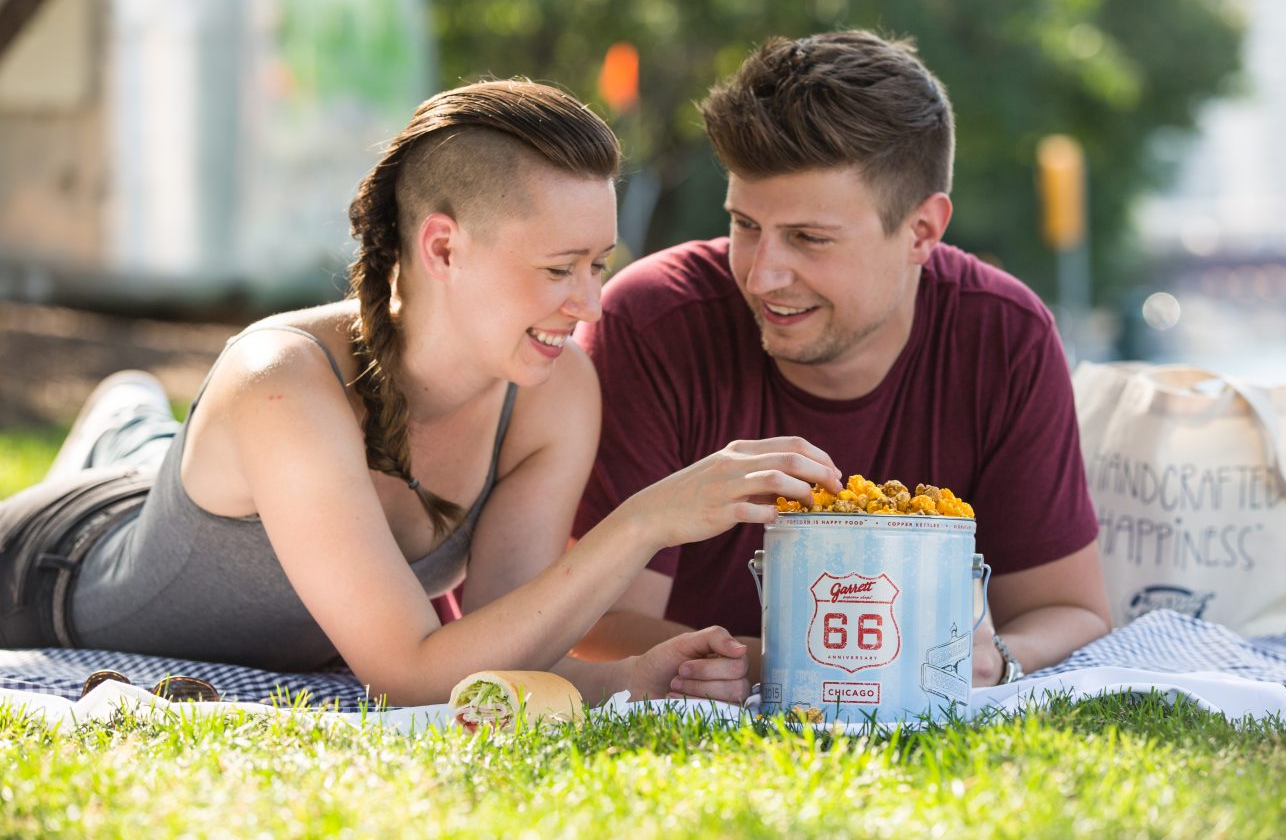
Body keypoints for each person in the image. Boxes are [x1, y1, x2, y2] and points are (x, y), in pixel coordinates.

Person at [0, 79, 843, 707]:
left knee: (163, 459)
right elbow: (409, 675)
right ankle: (128, 422)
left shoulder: (551, 389)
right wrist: (645, 521)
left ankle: (139, 432)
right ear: (441, 245)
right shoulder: (283, 380)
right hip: (56, 565)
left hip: (192, 500)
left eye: (598, 267)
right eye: (558, 269)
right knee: (149, 458)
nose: (588, 306)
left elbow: (501, 653)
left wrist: (632, 677)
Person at [571, 31, 1113, 686]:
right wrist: (843, 667)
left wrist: (999, 656)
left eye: (809, 239)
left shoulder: (1004, 334)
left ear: (921, 231)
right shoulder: (650, 321)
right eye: (744, 225)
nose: (763, 275)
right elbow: (597, 629)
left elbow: (1066, 608)